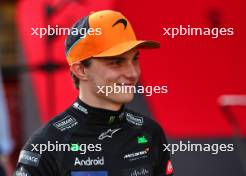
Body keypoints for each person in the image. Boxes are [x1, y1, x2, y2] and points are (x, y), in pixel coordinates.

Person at [14, 10, 174, 176]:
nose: (132, 73)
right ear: (81, 69)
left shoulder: (150, 132)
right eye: (116, 62)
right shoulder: (46, 144)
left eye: (135, 59)